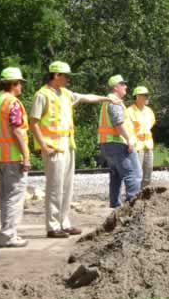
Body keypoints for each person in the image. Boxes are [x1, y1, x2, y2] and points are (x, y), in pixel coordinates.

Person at [30, 61, 118, 238]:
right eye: (66, 76)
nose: (69, 79)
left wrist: (106, 98)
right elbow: (33, 122)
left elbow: (86, 97)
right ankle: (53, 226)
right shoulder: (42, 95)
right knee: (54, 188)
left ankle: (64, 222)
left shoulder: (65, 94)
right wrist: (43, 145)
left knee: (66, 187)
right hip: (54, 148)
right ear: (56, 76)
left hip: (67, 145)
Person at [0, 67, 30, 248]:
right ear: (14, 84)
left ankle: (7, 232)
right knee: (14, 197)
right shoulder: (12, 102)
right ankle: (8, 235)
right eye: (20, 83)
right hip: (13, 156)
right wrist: (26, 156)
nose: (21, 86)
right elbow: (17, 131)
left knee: (6, 197)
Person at [98, 75, 142, 208]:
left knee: (116, 174)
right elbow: (119, 124)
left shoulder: (107, 101)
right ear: (115, 87)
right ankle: (133, 208)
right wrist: (129, 140)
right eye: (123, 84)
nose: (126, 86)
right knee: (133, 174)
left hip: (107, 144)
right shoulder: (114, 102)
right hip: (118, 143)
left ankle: (116, 205)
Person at [128, 86, 156, 188]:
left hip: (148, 146)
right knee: (136, 175)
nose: (147, 98)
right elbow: (128, 129)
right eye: (145, 95)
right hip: (137, 147)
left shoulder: (149, 111)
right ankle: (134, 196)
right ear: (138, 97)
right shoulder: (129, 111)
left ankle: (144, 197)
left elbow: (151, 124)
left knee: (147, 175)